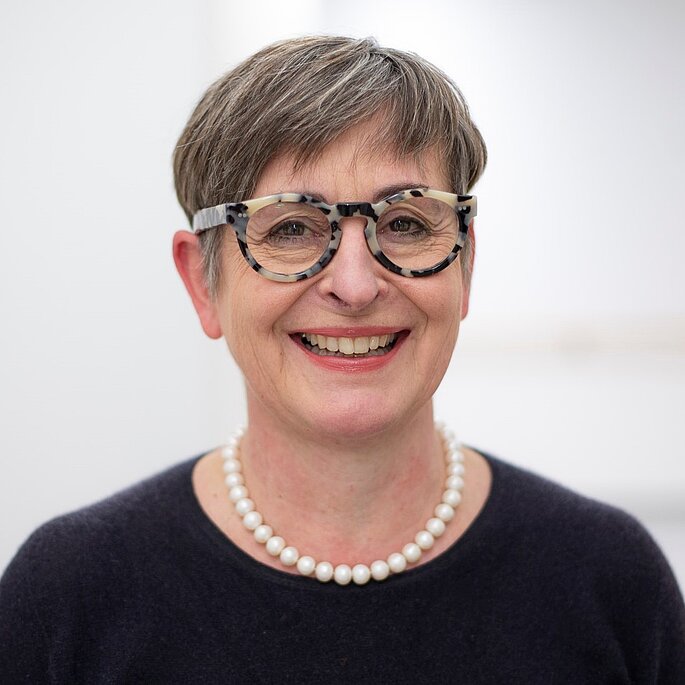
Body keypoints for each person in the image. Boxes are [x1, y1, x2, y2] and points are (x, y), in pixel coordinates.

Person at [1, 35, 683, 683]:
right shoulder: (68, 596)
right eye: (290, 228)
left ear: (466, 265)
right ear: (201, 283)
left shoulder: (609, 580)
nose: (354, 286)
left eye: (406, 223)